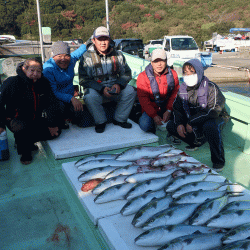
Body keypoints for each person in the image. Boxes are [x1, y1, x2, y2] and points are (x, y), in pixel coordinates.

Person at [166, 58, 229, 172]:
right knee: (170, 125)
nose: (188, 75)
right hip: (195, 119)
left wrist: (191, 122)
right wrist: (180, 124)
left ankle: (218, 161)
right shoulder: (183, 89)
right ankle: (196, 141)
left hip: (215, 117)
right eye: (186, 72)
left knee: (210, 126)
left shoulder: (211, 87)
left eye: (192, 72)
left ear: (199, 72)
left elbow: (214, 110)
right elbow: (177, 108)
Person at [0, 58, 61, 165]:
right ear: (24, 69)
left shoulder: (44, 82)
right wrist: (1, 125)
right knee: (22, 129)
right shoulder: (11, 82)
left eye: (38, 71)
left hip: (35, 119)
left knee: (56, 132)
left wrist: (52, 124)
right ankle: (25, 152)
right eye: (32, 70)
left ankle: (27, 141)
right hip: (16, 120)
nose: (35, 74)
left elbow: (51, 103)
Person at [78, 26, 136, 133]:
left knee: (130, 91)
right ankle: (100, 122)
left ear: (110, 40)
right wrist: (101, 88)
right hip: (97, 90)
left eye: (105, 39)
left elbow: (127, 73)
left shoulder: (118, 55)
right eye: (99, 39)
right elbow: (83, 79)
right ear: (94, 40)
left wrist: (119, 84)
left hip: (115, 88)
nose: (103, 42)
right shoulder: (86, 57)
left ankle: (119, 119)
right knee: (89, 96)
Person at [43, 41, 87, 128]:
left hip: (70, 98)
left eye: (66, 55)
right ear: (53, 56)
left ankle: (70, 117)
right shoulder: (48, 69)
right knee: (59, 108)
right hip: (55, 100)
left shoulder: (71, 60)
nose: (63, 59)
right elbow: (53, 92)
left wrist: (91, 41)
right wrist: (71, 98)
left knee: (80, 115)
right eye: (59, 56)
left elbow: (82, 49)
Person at [136, 49, 179, 133]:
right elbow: (143, 99)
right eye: (156, 61)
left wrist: (169, 110)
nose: (159, 64)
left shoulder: (173, 74)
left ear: (166, 61)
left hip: (167, 108)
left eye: (162, 61)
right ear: (151, 63)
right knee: (145, 125)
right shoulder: (142, 76)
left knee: (180, 120)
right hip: (151, 109)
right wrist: (154, 115)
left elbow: (175, 94)